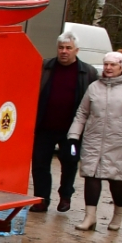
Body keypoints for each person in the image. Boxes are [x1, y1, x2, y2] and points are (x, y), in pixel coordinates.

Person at [67, 51, 122, 231]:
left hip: (120, 142)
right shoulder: (94, 87)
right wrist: (73, 136)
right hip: (94, 140)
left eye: (113, 65)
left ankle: (118, 213)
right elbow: (82, 113)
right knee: (91, 176)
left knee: (117, 180)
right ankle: (90, 217)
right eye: (106, 64)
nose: (108, 68)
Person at [32, 31, 98, 212]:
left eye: (68, 48)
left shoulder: (88, 72)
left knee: (70, 162)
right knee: (39, 164)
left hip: (72, 131)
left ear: (76, 50)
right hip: (44, 127)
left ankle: (65, 196)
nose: (64, 51)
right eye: (61, 48)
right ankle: (41, 199)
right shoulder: (45, 67)